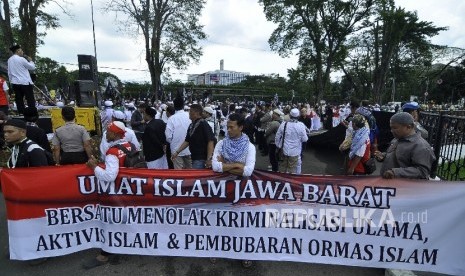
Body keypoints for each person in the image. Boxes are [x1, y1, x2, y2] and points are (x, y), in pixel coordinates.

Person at [84, 121, 131, 269]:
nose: (106, 134)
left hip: (115, 193)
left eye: (109, 131)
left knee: (110, 222)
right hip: (129, 190)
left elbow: (109, 176)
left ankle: (104, 254)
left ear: (116, 134)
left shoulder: (112, 152)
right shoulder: (129, 145)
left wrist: (94, 167)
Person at [375, 112, 435, 179]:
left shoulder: (421, 146)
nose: (391, 131)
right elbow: (396, 156)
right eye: (391, 128)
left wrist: (395, 172)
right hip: (389, 185)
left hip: (404, 188)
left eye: (395, 128)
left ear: (408, 127)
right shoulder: (396, 139)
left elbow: (422, 171)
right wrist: (383, 156)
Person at [212, 113, 256, 177]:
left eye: (231, 127)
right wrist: (237, 165)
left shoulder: (249, 147)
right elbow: (215, 167)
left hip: (240, 185)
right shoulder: (221, 144)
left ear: (240, 127)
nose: (228, 130)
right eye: (227, 127)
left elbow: (248, 172)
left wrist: (224, 164)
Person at [172, 104, 215, 169]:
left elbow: (210, 141)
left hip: (201, 159)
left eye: (190, 111)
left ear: (196, 113)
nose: (189, 113)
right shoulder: (191, 125)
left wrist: (209, 158)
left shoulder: (203, 124)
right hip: (194, 157)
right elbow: (187, 141)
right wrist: (177, 152)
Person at [275, 108, 308, 174]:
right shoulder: (301, 125)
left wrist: (278, 145)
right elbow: (305, 139)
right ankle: (290, 182)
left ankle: (282, 181)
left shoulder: (284, 124)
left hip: (284, 150)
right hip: (295, 152)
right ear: (298, 116)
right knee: (292, 169)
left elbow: (277, 136)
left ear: (290, 115)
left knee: (283, 167)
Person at [7, 44, 36, 114]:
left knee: (19, 99)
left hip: (15, 83)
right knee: (30, 98)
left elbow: (9, 72)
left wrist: (11, 81)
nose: (22, 51)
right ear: (18, 51)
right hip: (25, 82)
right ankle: (32, 113)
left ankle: (21, 113)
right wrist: (31, 61)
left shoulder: (9, 60)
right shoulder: (21, 59)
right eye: (21, 50)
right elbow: (32, 67)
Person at [165, 97, 192, 169]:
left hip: (176, 150)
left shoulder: (172, 118)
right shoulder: (189, 116)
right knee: (191, 172)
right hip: (189, 148)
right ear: (183, 105)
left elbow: (168, 137)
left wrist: (174, 142)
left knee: (179, 173)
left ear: (174, 106)